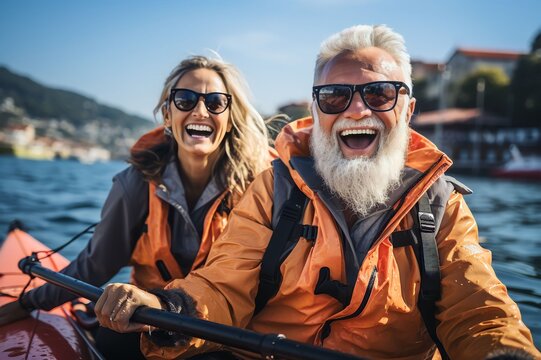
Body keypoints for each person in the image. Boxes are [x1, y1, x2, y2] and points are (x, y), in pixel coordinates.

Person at [93, 25, 541, 359]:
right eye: (334, 97)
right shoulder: (276, 187)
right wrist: (166, 305)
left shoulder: (442, 207)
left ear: (408, 109)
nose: (357, 109)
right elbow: (222, 284)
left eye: (380, 93)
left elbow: (480, 310)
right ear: (316, 110)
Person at [0, 55, 273, 359]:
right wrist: (27, 303)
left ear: (230, 116)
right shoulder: (135, 184)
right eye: (184, 99)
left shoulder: (261, 186)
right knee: (111, 337)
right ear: (167, 114)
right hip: (152, 322)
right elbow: (95, 264)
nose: (200, 110)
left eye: (215, 102)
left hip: (226, 330)